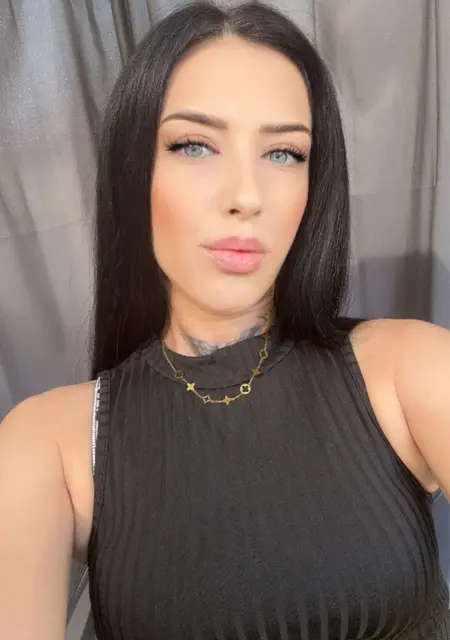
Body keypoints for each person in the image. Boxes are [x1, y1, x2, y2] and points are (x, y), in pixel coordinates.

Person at [1, 1, 450, 638]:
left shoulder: (413, 369)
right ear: (134, 171)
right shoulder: (46, 444)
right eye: (194, 145)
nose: (245, 196)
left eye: (284, 154)